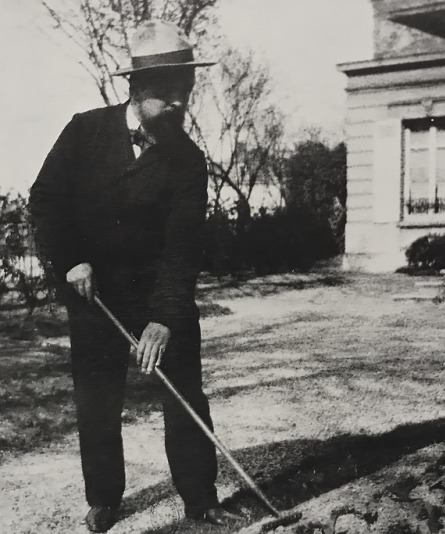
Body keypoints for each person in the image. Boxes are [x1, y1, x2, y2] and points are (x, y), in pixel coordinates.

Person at [29, 20, 241, 533]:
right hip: (94, 291)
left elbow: (182, 245)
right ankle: (104, 498)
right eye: (168, 95)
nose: (178, 106)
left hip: (158, 293)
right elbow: (46, 201)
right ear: (138, 90)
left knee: (185, 392)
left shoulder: (188, 161)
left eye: (185, 95)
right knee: (98, 401)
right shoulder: (85, 130)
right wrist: (70, 261)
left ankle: (200, 497)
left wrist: (165, 318)